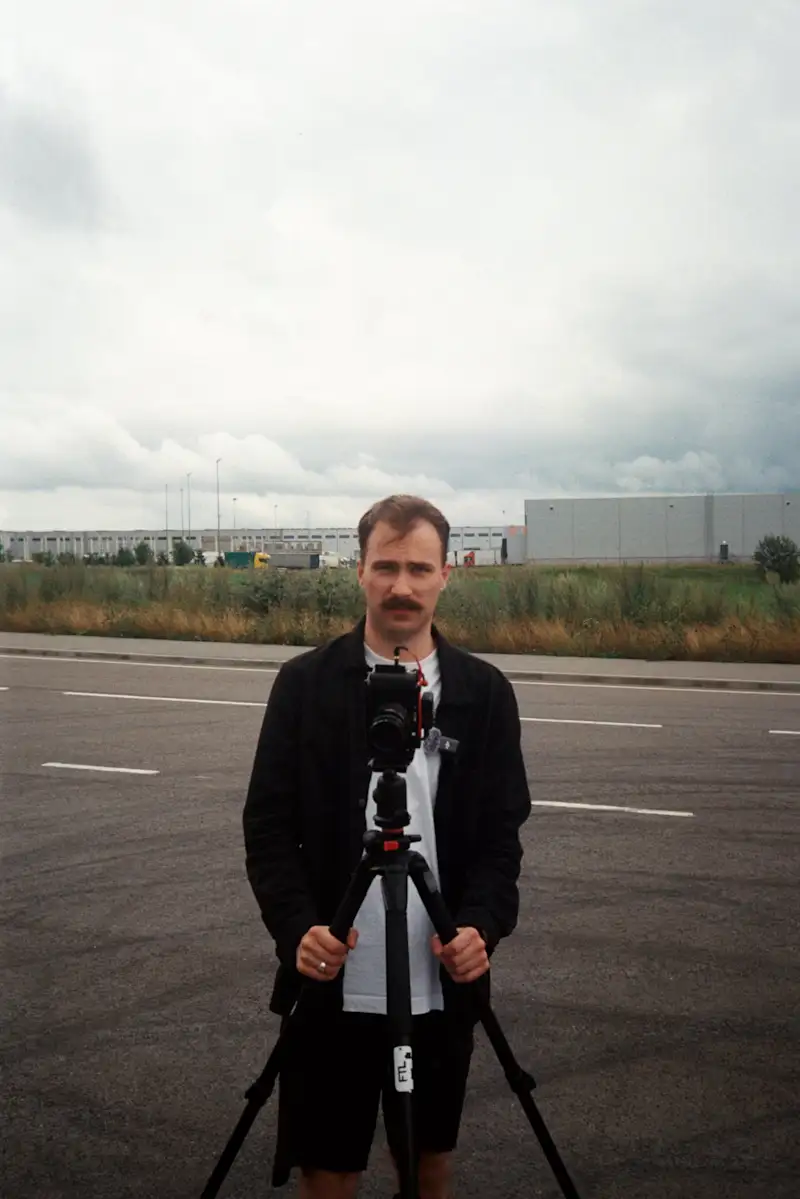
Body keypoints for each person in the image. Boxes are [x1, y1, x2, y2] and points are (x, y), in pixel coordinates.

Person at [242, 494, 531, 1199]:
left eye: (419, 568)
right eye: (387, 567)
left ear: (446, 575)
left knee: (428, 1164)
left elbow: (502, 837)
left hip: (441, 981)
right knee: (329, 1171)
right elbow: (268, 827)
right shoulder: (305, 684)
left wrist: (481, 927)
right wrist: (297, 929)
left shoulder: (484, 693)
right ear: (361, 571)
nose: (402, 585)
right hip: (331, 977)